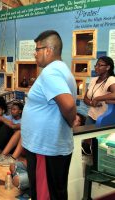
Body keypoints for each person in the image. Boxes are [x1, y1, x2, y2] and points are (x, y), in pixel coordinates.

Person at [21, 30, 77, 200]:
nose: (35, 53)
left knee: (44, 196)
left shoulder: (51, 72)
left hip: (45, 148)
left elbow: (68, 105)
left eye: (37, 49)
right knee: (55, 194)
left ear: (48, 50)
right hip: (49, 147)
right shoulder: (61, 69)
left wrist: (70, 120)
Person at [83, 56, 115, 125]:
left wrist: (98, 98)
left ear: (108, 67)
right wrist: (92, 103)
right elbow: (85, 98)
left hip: (104, 118)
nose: (96, 67)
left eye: (100, 65)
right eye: (96, 65)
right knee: (87, 135)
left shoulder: (111, 79)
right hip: (91, 116)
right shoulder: (93, 80)